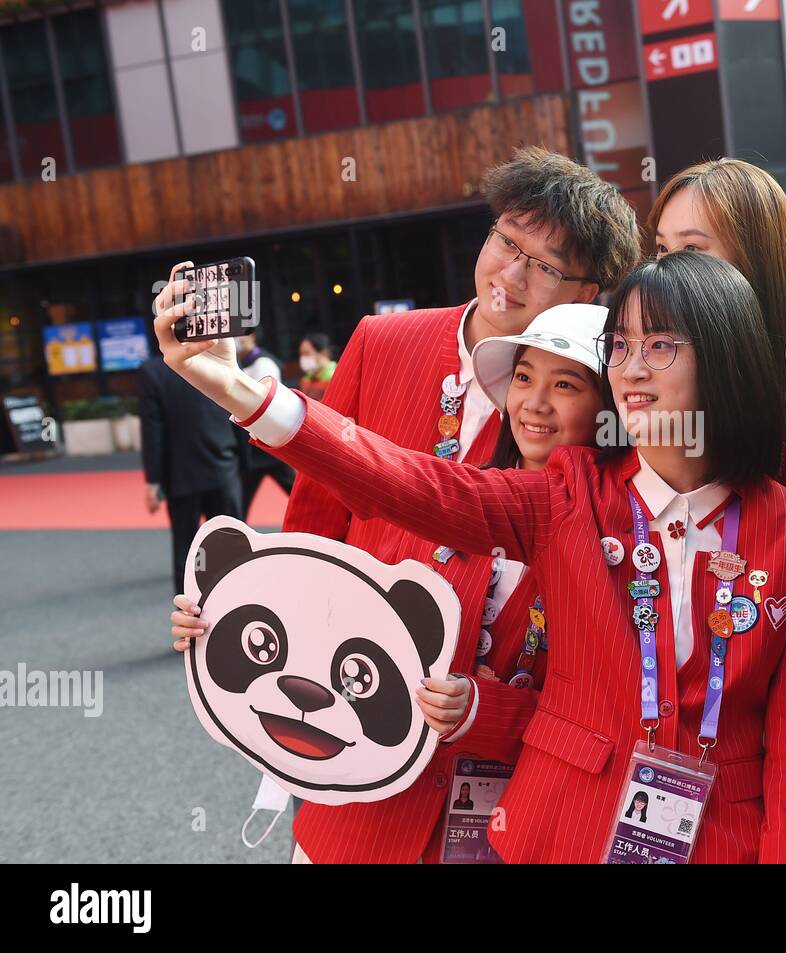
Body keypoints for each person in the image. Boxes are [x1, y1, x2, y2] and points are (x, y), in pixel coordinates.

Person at [154, 251, 786, 864]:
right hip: (556, 833)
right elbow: (403, 481)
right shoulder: (568, 493)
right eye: (620, 345)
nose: (629, 367)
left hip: (721, 840)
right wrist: (239, 391)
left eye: (659, 345)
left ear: (725, 355)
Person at [165, 146, 641, 864]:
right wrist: (229, 604)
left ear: (591, 291)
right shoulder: (385, 342)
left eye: (545, 265)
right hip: (357, 760)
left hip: (506, 788)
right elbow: (312, 538)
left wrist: (491, 710)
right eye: (506, 242)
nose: (511, 273)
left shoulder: (595, 411)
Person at [646, 157, 786, 498]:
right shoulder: (638, 370)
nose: (669, 267)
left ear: (753, 259)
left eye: (691, 248)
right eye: (662, 248)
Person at [138, 354, 242, 594]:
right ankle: (238, 598)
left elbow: (152, 428)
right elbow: (237, 408)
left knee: (187, 548)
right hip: (223, 465)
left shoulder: (153, 371)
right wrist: (241, 460)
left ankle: (189, 616)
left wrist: (153, 481)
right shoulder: (217, 358)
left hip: (180, 474)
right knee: (233, 541)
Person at [233, 328, 296, 513]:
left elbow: (266, 403)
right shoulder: (242, 363)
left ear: (252, 335)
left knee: (294, 491)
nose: (235, 340)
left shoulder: (264, 363)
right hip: (255, 444)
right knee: (242, 499)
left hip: (268, 440)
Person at [297, 332, 336, 402]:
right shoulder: (306, 378)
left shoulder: (335, 376)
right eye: (301, 354)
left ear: (324, 353)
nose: (302, 358)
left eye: (306, 353)